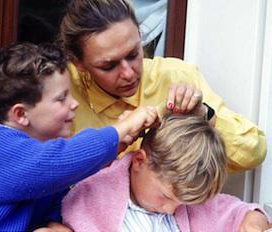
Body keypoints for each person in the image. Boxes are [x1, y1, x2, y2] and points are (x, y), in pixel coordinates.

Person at [0, 42, 159, 231]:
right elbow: (58, 161)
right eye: (61, 98)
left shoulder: (41, 163)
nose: (73, 104)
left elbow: (57, 199)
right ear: (21, 114)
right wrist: (120, 128)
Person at [59, 0, 267, 172]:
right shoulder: (62, 90)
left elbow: (253, 152)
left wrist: (203, 114)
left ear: (140, 37)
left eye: (133, 55)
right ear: (78, 63)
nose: (129, 73)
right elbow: (46, 176)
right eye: (109, 66)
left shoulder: (175, 76)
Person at [62, 115, 271, 232]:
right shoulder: (94, 196)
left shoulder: (186, 202)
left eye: (181, 203)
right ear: (139, 161)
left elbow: (238, 212)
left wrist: (254, 221)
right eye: (166, 196)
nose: (172, 209)